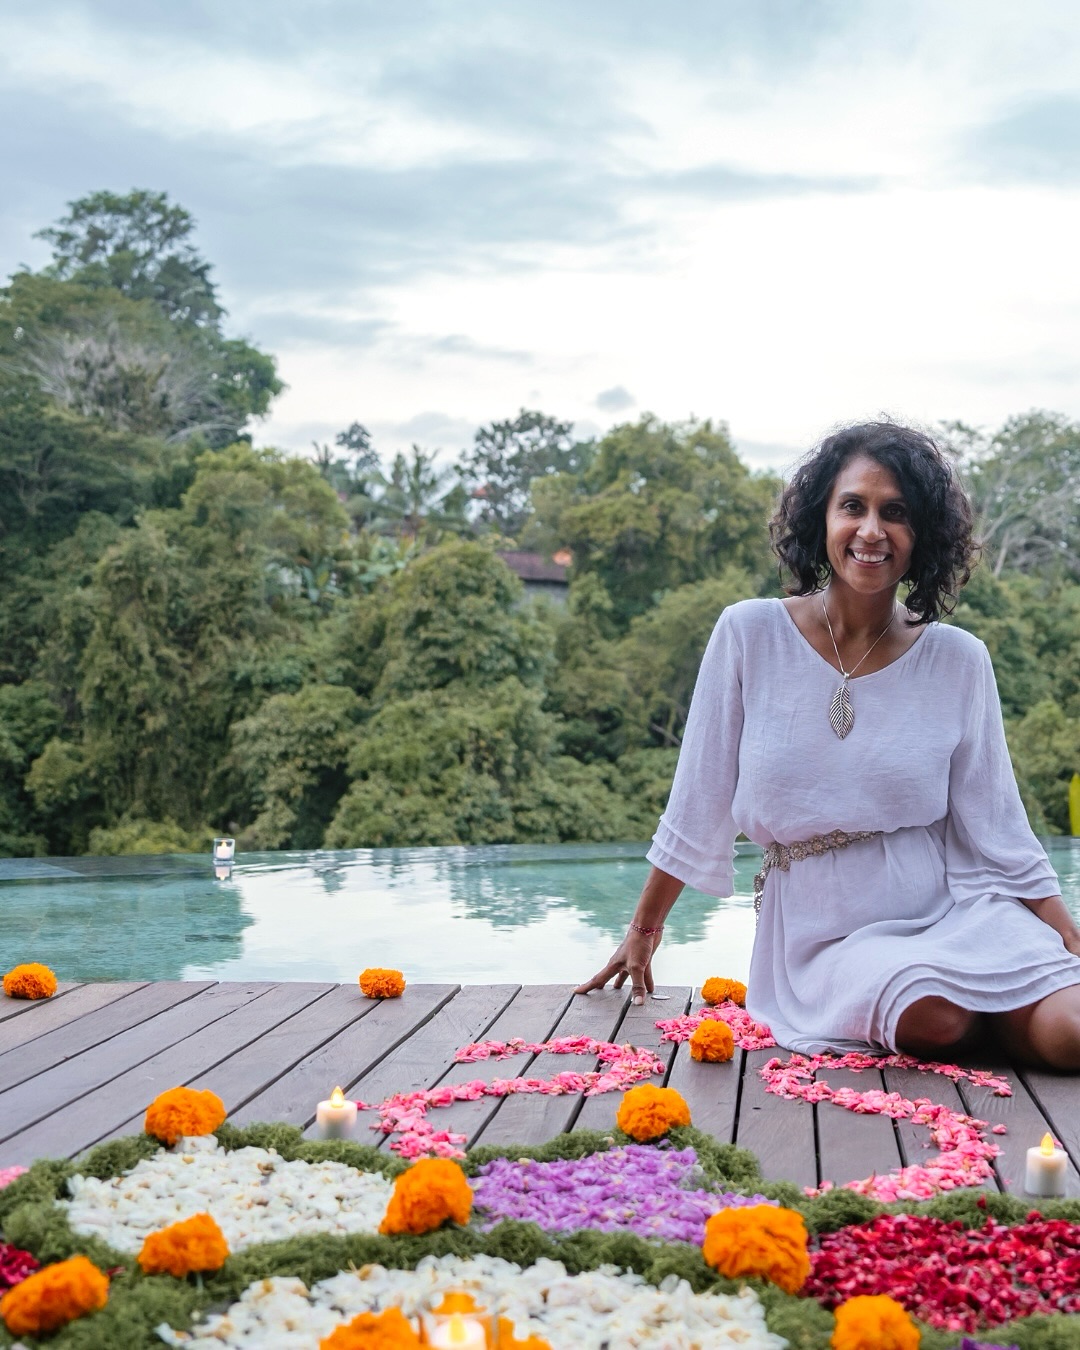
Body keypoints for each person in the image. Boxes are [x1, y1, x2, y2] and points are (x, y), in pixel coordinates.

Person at [575, 421, 1080, 1069]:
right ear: (822, 519)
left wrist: (1063, 930)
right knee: (934, 1012)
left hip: (958, 910)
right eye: (854, 507)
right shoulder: (749, 634)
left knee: (1071, 1033)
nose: (872, 531)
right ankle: (995, 1022)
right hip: (824, 935)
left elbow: (998, 823)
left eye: (895, 513)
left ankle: (1021, 1016)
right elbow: (698, 801)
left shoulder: (958, 658)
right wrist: (644, 930)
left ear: (921, 536)